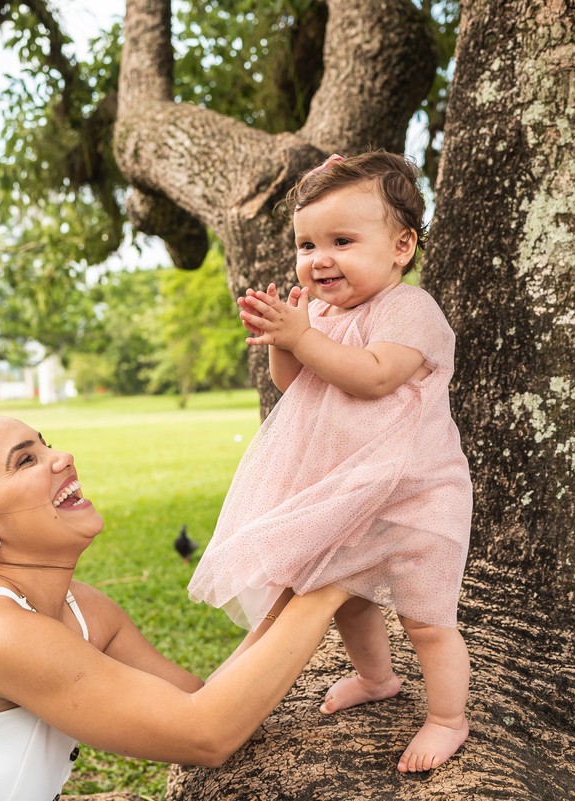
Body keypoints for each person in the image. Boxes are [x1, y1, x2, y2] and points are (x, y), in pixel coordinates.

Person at [0, 404, 351, 801]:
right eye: (26, 461)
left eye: (46, 443)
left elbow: (204, 704)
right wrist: (336, 582)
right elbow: (205, 736)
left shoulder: (84, 611)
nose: (62, 457)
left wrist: (298, 587)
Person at [187, 150, 473, 773]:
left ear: (401, 247)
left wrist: (304, 336)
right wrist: (281, 339)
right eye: (306, 243)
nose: (319, 259)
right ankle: (376, 679)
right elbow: (295, 383)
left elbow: (372, 378)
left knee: (427, 618)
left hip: (414, 494)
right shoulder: (320, 314)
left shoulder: (410, 311)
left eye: (341, 241)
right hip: (348, 490)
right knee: (347, 599)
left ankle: (449, 716)